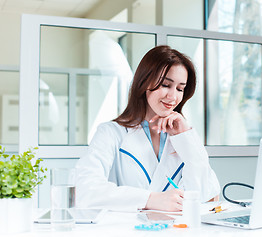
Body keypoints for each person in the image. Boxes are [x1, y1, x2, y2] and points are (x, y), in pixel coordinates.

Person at [75, 45, 220, 212]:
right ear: (144, 82)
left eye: (180, 89)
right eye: (166, 85)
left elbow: (207, 196)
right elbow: (85, 191)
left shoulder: (181, 138)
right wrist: (150, 199)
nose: (173, 97)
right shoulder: (111, 133)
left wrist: (186, 138)